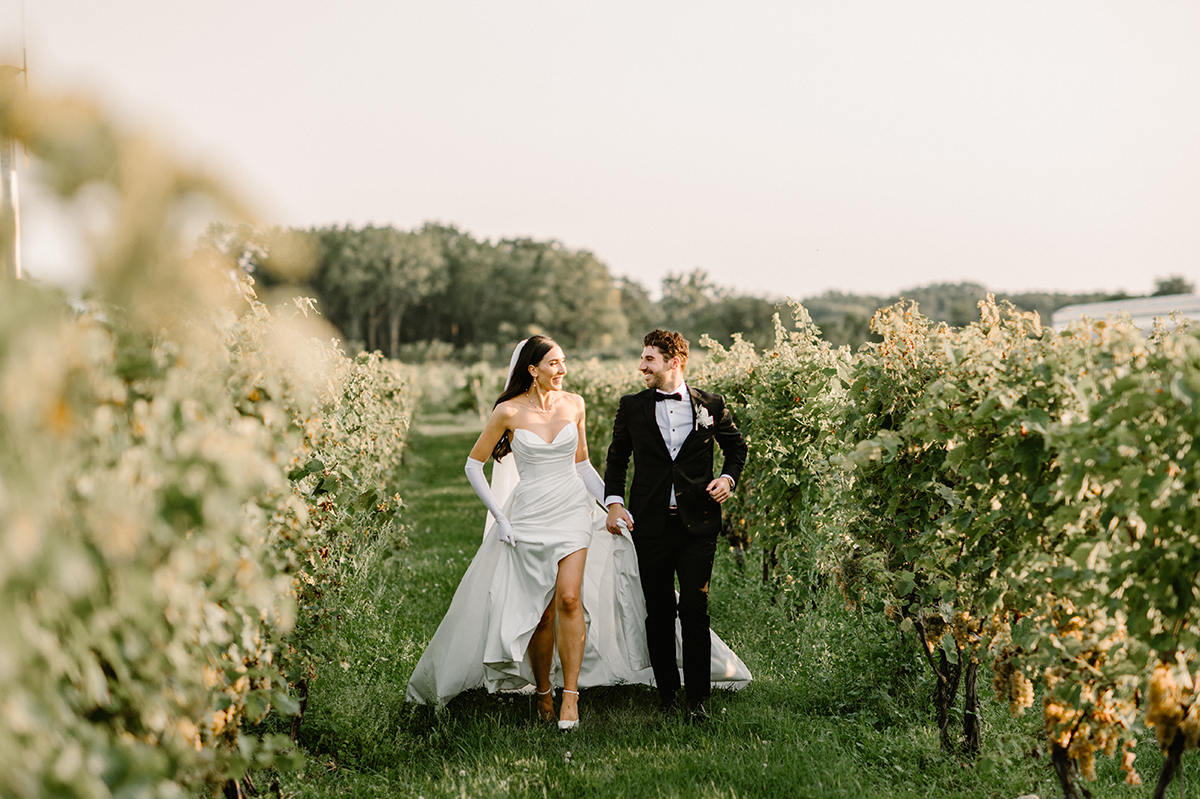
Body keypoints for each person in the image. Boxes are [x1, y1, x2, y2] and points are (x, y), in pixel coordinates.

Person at [406, 336, 750, 727]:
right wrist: (501, 517)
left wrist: (612, 504)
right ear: (532, 369)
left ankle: (580, 696)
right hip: (533, 513)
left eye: (563, 361)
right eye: (555, 363)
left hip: (580, 510)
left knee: (576, 599)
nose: (563, 370)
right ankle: (548, 692)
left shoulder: (581, 404)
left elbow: (585, 466)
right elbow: (475, 465)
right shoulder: (513, 411)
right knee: (546, 610)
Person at [604, 329, 748, 722]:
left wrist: (727, 479)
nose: (641, 366)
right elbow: (616, 462)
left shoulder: (711, 405)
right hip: (648, 524)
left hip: (697, 524)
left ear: (674, 361)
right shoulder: (631, 406)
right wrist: (614, 504)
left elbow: (737, 449)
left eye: (649, 359)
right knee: (659, 611)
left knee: (696, 608)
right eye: (642, 358)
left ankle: (696, 700)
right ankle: (667, 695)